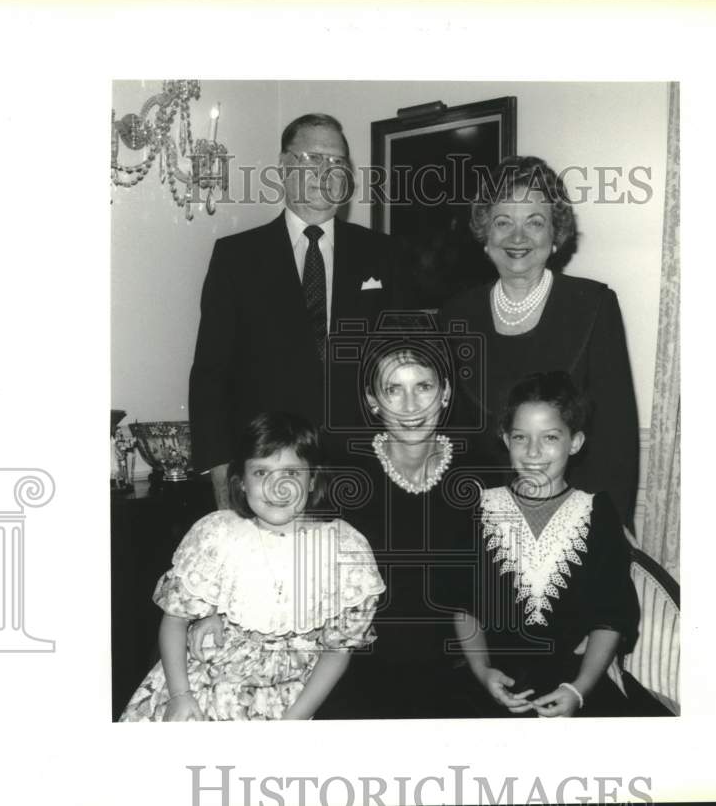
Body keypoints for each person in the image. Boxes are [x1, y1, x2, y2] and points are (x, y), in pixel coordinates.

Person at [190, 336, 488, 718]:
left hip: (446, 670)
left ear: (445, 393)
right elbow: (263, 534)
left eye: (424, 387)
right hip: (342, 668)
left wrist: (483, 669)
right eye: (393, 389)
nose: (411, 406)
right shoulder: (343, 474)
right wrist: (210, 608)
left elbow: (475, 593)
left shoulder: (477, 475)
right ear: (372, 400)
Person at [189, 113, 405, 509]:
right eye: (315, 159)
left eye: (338, 162)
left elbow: (400, 363)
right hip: (267, 470)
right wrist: (220, 473)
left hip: (363, 473)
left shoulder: (385, 255)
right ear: (284, 167)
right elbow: (210, 375)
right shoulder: (236, 258)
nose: (329, 171)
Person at [119, 412, 385, 721]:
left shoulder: (344, 549)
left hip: (288, 701)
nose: (276, 487)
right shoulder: (218, 535)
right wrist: (180, 695)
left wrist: (294, 720)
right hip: (201, 689)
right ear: (241, 482)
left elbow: (338, 651)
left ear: (313, 479)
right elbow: (175, 621)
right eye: (260, 473)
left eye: (291, 473)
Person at [440, 155, 640, 527]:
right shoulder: (455, 316)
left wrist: (610, 526)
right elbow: (453, 439)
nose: (518, 237)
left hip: (576, 520)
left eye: (535, 222)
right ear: (486, 237)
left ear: (554, 236)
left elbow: (617, 436)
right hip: (480, 519)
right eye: (503, 222)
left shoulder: (593, 306)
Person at [454, 372, 643, 717]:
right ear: (505, 439)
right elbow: (463, 606)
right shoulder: (479, 508)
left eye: (551, 437)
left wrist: (578, 690)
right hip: (491, 680)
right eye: (521, 438)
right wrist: (482, 672)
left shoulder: (596, 513)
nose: (534, 452)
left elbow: (611, 616)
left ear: (575, 442)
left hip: (572, 683)